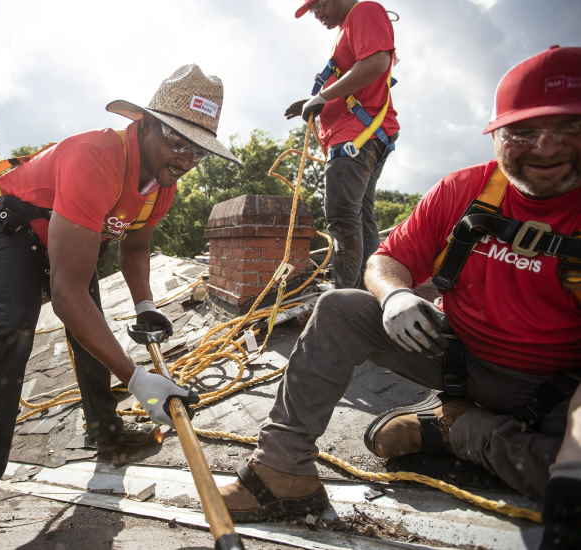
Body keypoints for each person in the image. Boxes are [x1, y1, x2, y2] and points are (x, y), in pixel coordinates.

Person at [219, 46, 581, 549]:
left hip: (558, 391)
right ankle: (282, 473)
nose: (544, 148)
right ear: (497, 134)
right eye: (523, 131)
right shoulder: (465, 191)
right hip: (461, 361)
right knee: (341, 308)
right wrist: (393, 295)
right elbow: (386, 261)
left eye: (569, 129)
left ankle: (463, 432)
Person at [0, 64, 240, 541]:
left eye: (198, 149)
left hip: (74, 238)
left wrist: (144, 306)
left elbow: (136, 247)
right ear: (145, 124)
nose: (186, 158)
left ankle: (106, 433)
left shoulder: (162, 186)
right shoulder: (95, 156)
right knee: (14, 328)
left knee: (91, 332)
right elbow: (65, 295)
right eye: (178, 141)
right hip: (13, 230)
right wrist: (138, 378)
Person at [285, 0, 399, 289]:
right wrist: (318, 101)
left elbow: (376, 63)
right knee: (359, 217)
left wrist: (322, 98)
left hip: (356, 138)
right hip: (363, 136)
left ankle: (345, 294)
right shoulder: (348, 27)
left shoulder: (364, 11)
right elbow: (359, 73)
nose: (318, 14)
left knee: (343, 217)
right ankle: (366, 289)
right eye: (312, 11)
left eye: (320, 5)